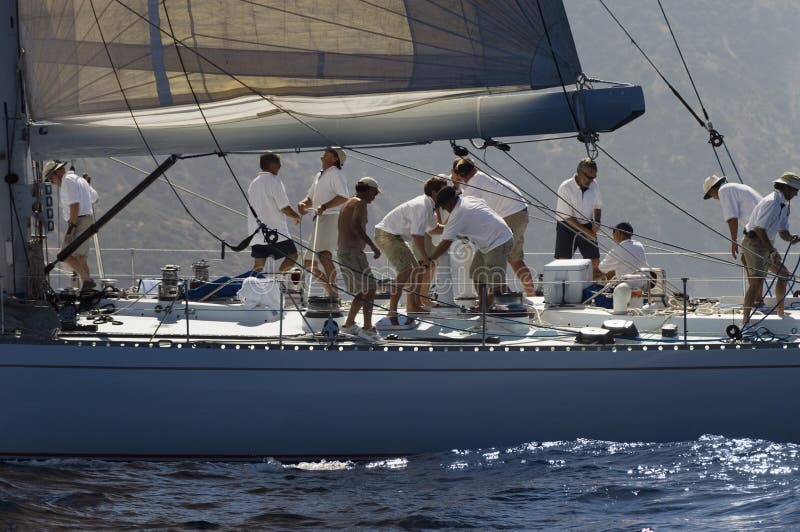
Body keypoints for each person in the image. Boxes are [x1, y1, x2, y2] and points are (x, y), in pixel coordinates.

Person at [451, 157, 536, 297]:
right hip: (519, 213)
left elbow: (459, 206)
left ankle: (505, 298)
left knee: (496, 256)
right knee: (514, 258)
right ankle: (530, 295)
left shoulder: (474, 183)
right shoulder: (481, 177)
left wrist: (456, 183)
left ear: (460, 174)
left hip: (511, 215)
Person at [427, 186, 513, 311]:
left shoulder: (458, 214)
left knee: (496, 283)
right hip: (487, 243)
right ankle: (483, 306)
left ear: (450, 201)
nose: (444, 209)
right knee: (477, 274)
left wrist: (430, 259)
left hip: (499, 241)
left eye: (443, 205)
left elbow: (445, 242)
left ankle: (510, 306)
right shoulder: (468, 200)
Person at [374, 176, 447, 317]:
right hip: (387, 235)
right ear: (434, 192)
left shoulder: (429, 205)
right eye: (444, 191)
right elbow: (416, 235)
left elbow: (433, 229)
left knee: (417, 270)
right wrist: (425, 257)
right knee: (407, 271)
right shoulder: (422, 206)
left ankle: (413, 306)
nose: (447, 194)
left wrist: (454, 227)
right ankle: (392, 309)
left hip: (395, 236)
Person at [741, 172, 800, 325]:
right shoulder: (771, 202)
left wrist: (792, 237)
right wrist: (772, 251)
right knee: (756, 283)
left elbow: (783, 232)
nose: (796, 194)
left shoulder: (784, 206)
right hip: (754, 242)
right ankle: (745, 321)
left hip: (766, 244)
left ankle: (781, 313)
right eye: (795, 190)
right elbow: (760, 229)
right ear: (787, 188)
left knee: (784, 274)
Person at [297, 147, 349, 299]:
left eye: (329, 152)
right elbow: (310, 198)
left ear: (335, 159)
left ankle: (334, 295)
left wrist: (325, 206)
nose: (325, 153)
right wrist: (302, 204)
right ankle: (332, 293)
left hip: (331, 217)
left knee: (324, 256)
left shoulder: (336, 174)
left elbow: (343, 197)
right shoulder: (319, 175)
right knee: (308, 262)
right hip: (320, 219)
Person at [338, 177, 382, 342]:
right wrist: (373, 246)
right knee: (370, 288)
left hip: (347, 251)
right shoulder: (360, 203)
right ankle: (367, 328)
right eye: (374, 193)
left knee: (365, 289)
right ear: (368, 189)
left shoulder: (348, 203)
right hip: (352, 252)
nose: (375, 196)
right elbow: (356, 225)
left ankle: (349, 325)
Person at [44, 160, 98, 292]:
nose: (52, 182)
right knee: (81, 257)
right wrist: (87, 186)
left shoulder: (67, 181)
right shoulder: (79, 179)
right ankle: (87, 290)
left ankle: (87, 281)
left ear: (58, 173)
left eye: (51, 179)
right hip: (86, 219)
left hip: (78, 221)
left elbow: (75, 205)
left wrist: (70, 229)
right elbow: (95, 198)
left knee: (64, 254)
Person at [247, 152, 302, 273]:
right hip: (275, 234)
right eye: (279, 164)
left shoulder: (253, 183)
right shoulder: (274, 181)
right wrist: (296, 216)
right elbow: (284, 207)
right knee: (293, 255)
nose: (280, 166)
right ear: (273, 165)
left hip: (256, 234)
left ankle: (250, 288)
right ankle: (279, 280)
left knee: (258, 266)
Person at [555, 158, 603, 280]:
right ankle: (564, 289)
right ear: (580, 173)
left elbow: (598, 206)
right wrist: (588, 233)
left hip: (587, 223)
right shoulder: (565, 187)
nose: (591, 180)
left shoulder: (594, 184)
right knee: (564, 263)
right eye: (589, 177)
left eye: (594, 177)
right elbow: (567, 216)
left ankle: (595, 290)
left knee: (595, 263)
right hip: (566, 225)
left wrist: (597, 221)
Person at [703, 175, 762, 260]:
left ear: (713, 188)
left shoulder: (723, 191)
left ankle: (784, 273)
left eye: (711, 195)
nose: (714, 198)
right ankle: (780, 270)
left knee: (757, 258)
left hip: (758, 227)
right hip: (762, 223)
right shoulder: (731, 188)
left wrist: (734, 241)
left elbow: (732, 220)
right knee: (746, 259)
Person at [598, 222, 649, 288]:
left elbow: (602, 268)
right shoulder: (639, 245)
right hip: (643, 285)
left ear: (619, 233)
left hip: (626, 287)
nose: (612, 235)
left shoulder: (616, 251)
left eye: (613, 232)